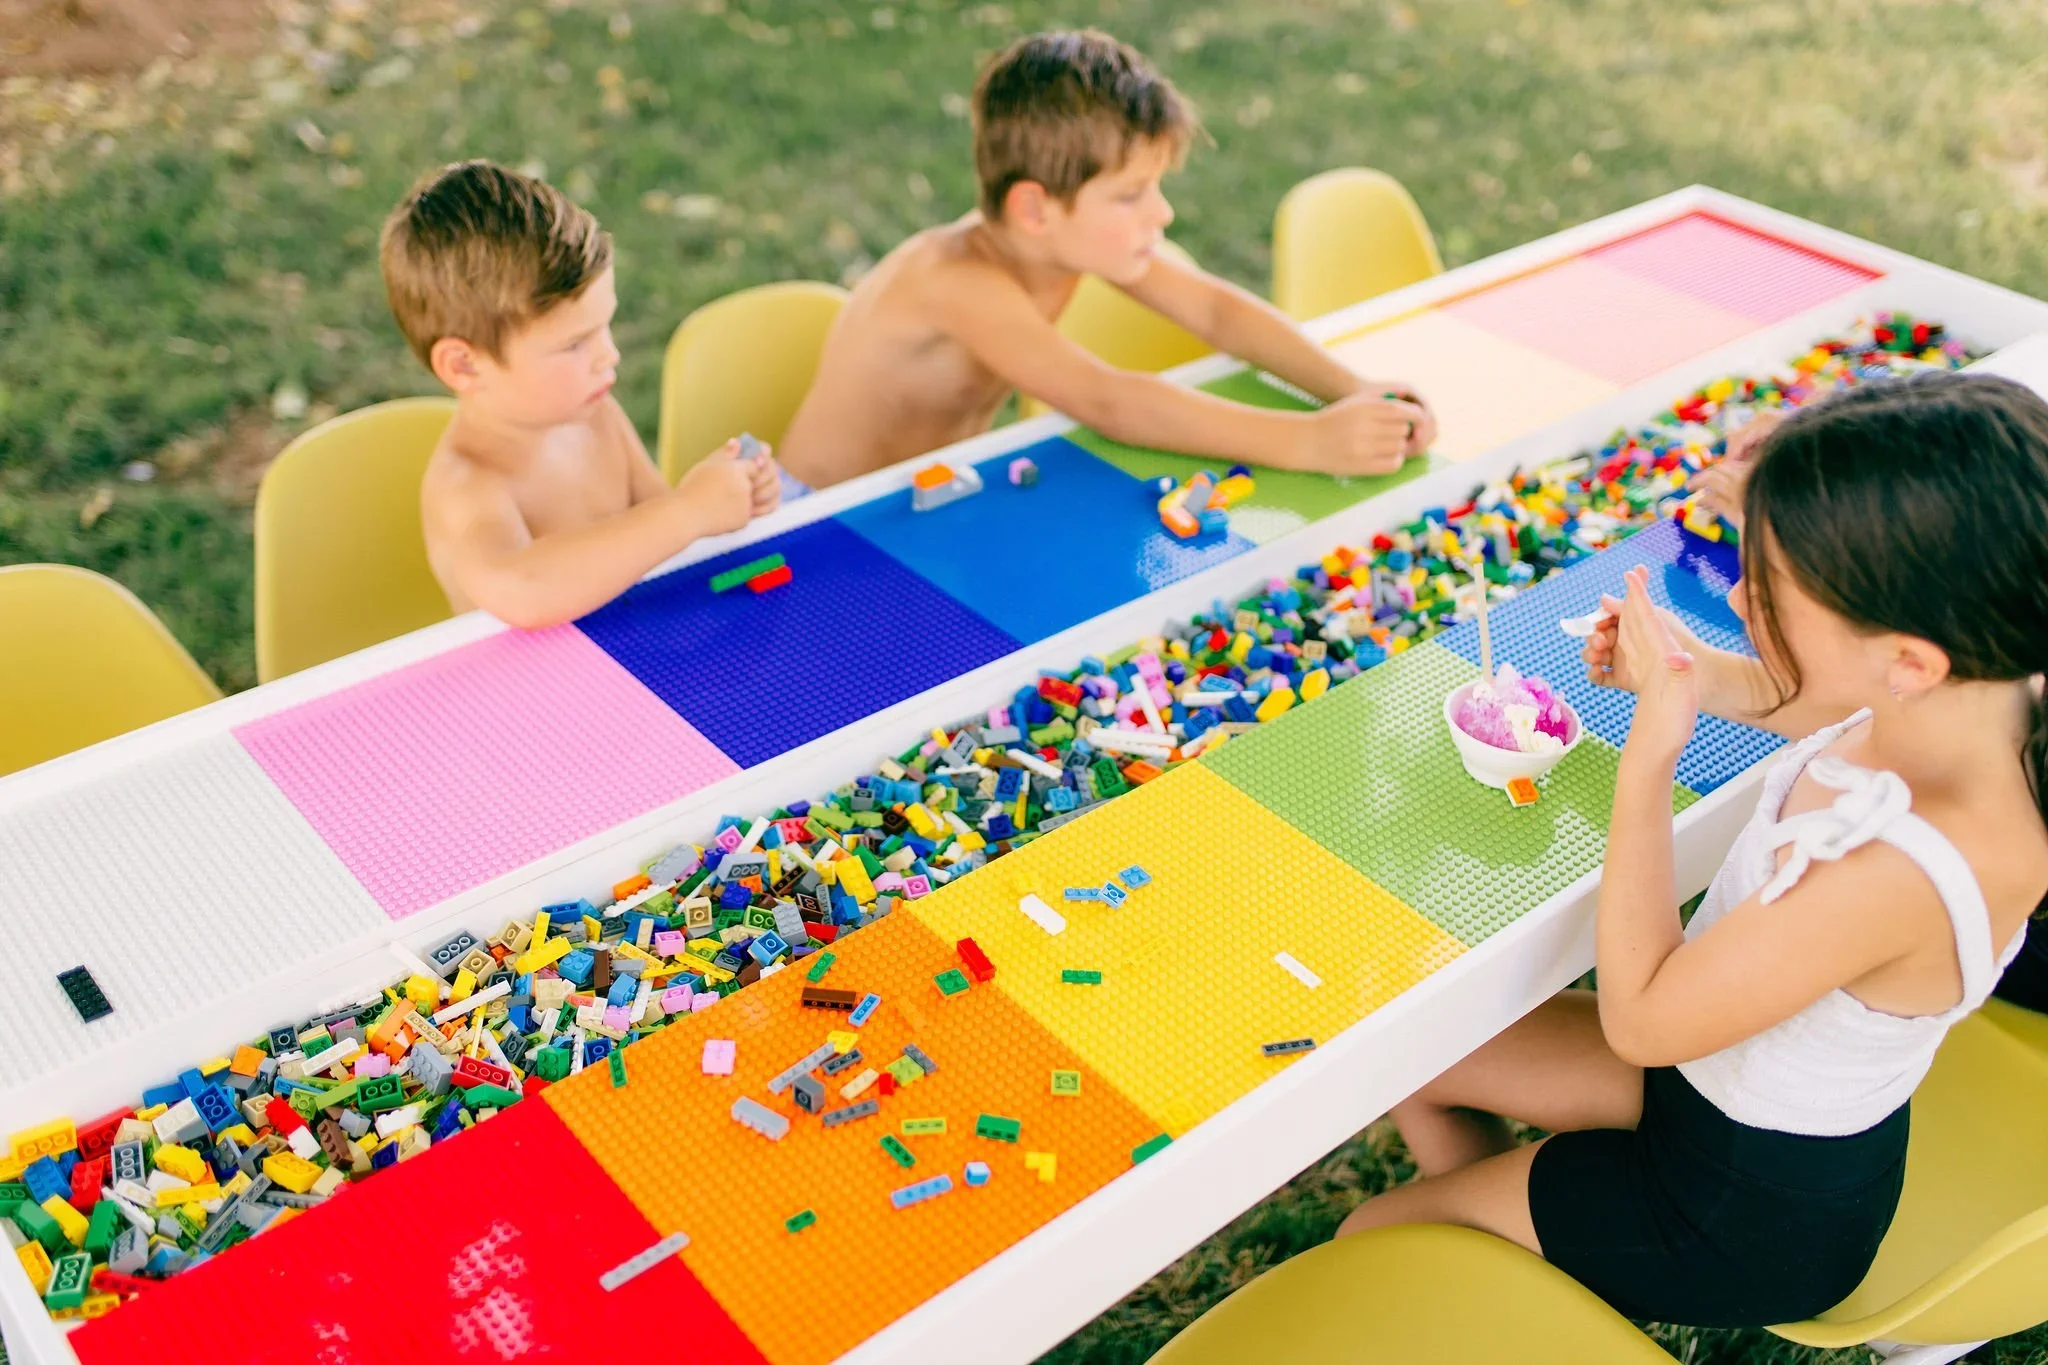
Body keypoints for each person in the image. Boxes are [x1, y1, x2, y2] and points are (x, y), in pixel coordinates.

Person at [1336, 371, 2048, 1327]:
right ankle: (1511, 1228)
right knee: (1402, 1045)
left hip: (1739, 1211)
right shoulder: (1979, 696)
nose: (1744, 591)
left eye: (1778, 589)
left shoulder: (1901, 870)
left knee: (1370, 1235)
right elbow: (1831, 699)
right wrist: (1700, 673)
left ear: (1911, 657)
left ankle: (1508, 1256)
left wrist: (1652, 748)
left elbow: (1642, 1017)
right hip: (1708, 1084)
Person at [774, 29, 1435, 490]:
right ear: (1035, 208)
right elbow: (1110, 400)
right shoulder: (952, 279)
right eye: (1130, 195)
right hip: (810, 523)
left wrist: (1351, 390)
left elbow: (1211, 307)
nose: (1162, 214)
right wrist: (1311, 442)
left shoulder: (1064, 238)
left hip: (919, 499)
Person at [380, 160, 782, 627]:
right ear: (465, 365)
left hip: (632, 655)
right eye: (574, 344)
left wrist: (725, 499)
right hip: (538, 690)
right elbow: (523, 589)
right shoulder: (470, 484)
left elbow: (659, 525)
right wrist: (688, 511)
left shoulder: (595, 415)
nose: (608, 356)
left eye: (604, 327)